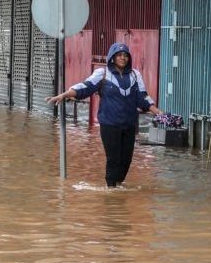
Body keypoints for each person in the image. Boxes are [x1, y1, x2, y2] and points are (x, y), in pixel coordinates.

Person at [46, 42, 163, 187]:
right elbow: (85, 87)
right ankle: (111, 192)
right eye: (119, 55)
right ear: (112, 57)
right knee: (113, 158)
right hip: (109, 124)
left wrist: (158, 112)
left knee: (126, 160)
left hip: (129, 124)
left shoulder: (135, 75)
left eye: (125, 55)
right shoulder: (102, 74)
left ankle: (118, 187)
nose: (123, 58)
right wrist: (64, 95)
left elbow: (142, 97)